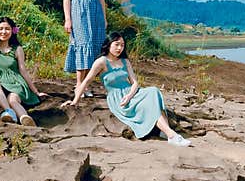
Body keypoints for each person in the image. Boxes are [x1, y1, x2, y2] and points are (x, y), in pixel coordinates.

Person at [61, 32, 191, 146]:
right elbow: (86, 82)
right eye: (116, 44)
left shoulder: (124, 61)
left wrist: (129, 95)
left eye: (122, 45)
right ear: (109, 44)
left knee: (153, 92)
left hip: (131, 93)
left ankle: (168, 133)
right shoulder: (101, 62)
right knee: (149, 104)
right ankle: (172, 135)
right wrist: (75, 101)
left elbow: (134, 82)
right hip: (117, 97)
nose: (119, 48)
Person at [0, 17, 48, 126]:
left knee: (13, 99)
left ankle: (25, 118)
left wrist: (36, 91)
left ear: (12, 31)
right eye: (1, 29)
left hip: (15, 83)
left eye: (7, 29)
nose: (4, 32)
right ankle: (9, 112)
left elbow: (23, 71)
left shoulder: (17, 49)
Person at [63, 0, 108, 98]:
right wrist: (68, 19)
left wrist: (104, 17)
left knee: (94, 46)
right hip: (78, 12)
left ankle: (86, 86)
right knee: (82, 45)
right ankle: (78, 86)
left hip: (95, 13)